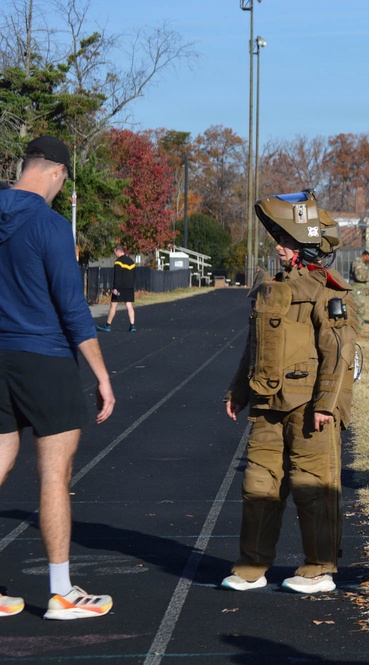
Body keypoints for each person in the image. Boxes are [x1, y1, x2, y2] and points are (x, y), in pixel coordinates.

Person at [0, 136, 115, 619]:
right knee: (54, 474)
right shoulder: (50, 226)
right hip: (44, 358)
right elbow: (73, 309)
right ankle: (62, 591)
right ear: (57, 172)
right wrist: (103, 377)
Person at [223, 190, 357, 594]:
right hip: (266, 402)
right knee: (259, 485)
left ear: (306, 247)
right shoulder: (272, 288)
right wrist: (238, 390)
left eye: (285, 239)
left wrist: (327, 405)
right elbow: (255, 346)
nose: (278, 246)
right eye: (277, 238)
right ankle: (252, 565)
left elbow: (339, 351)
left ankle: (319, 567)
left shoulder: (326, 290)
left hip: (308, 406)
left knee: (312, 485)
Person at [97, 245, 137, 333]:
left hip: (119, 287)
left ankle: (108, 325)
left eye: (115, 252)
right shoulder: (131, 262)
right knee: (129, 305)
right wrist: (131, 285)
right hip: (129, 287)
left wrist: (115, 288)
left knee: (113, 305)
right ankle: (132, 325)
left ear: (118, 251)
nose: (115, 254)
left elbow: (117, 276)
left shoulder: (118, 262)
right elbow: (134, 275)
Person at [349, 250, 369, 331]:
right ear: (366, 255)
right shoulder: (358, 263)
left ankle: (357, 331)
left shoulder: (362, 264)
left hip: (361, 293)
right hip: (357, 293)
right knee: (358, 312)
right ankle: (355, 331)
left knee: (360, 312)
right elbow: (360, 277)